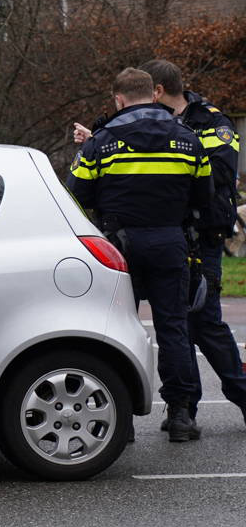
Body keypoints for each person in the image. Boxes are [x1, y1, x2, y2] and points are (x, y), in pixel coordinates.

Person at [68, 66, 213, 442]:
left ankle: (122, 422)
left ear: (118, 99)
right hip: (170, 242)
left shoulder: (101, 141)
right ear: (153, 95)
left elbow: (75, 194)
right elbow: (204, 197)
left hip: (118, 247)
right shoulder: (188, 139)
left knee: (114, 331)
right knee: (173, 328)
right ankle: (181, 416)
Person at [141, 58, 246, 426]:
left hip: (205, 236)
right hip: (170, 233)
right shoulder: (150, 123)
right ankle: (183, 408)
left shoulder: (212, 121)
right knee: (175, 324)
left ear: (158, 90)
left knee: (204, 321)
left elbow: (219, 173)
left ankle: (241, 392)